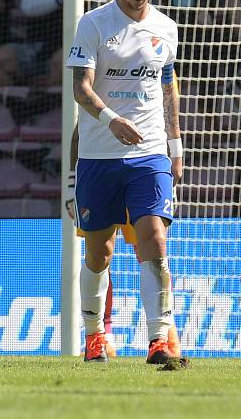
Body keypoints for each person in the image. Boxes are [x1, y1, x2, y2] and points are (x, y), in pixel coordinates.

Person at [66, 0, 184, 365]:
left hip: (150, 154)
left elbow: (168, 86)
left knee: (153, 237)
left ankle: (159, 339)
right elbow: (81, 87)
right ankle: (96, 334)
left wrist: (175, 144)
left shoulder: (166, 28)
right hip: (99, 155)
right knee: (100, 251)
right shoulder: (94, 24)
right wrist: (110, 119)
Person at [65, 122, 182, 359]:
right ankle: (101, 335)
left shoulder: (158, 84)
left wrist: (176, 155)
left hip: (146, 168)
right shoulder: (100, 87)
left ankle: (163, 335)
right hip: (99, 168)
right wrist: (71, 185)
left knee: (152, 248)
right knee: (100, 254)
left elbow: (169, 115)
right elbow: (79, 132)